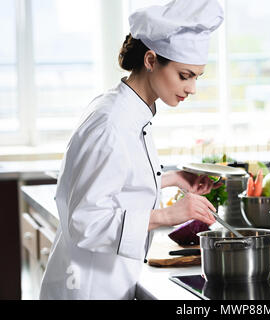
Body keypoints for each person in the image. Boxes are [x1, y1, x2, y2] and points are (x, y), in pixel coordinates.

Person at [39, 0, 224, 300]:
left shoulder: (131, 111)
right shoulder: (111, 123)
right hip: (88, 289)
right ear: (151, 60)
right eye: (184, 75)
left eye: (196, 78)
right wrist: (169, 214)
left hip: (109, 283)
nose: (191, 89)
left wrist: (172, 178)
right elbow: (88, 220)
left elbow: (116, 181)